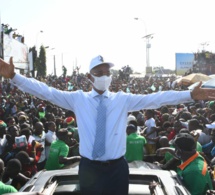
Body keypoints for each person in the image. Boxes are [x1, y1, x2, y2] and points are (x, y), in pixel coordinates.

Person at [1, 56, 215, 195]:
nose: (104, 77)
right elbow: (45, 91)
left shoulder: (122, 99)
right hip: (89, 169)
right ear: (89, 77)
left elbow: (157, 98)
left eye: (107, 73)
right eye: (99, 73)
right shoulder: (78, 99)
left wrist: (189, 95)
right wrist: (14, 76)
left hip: (117, 169)